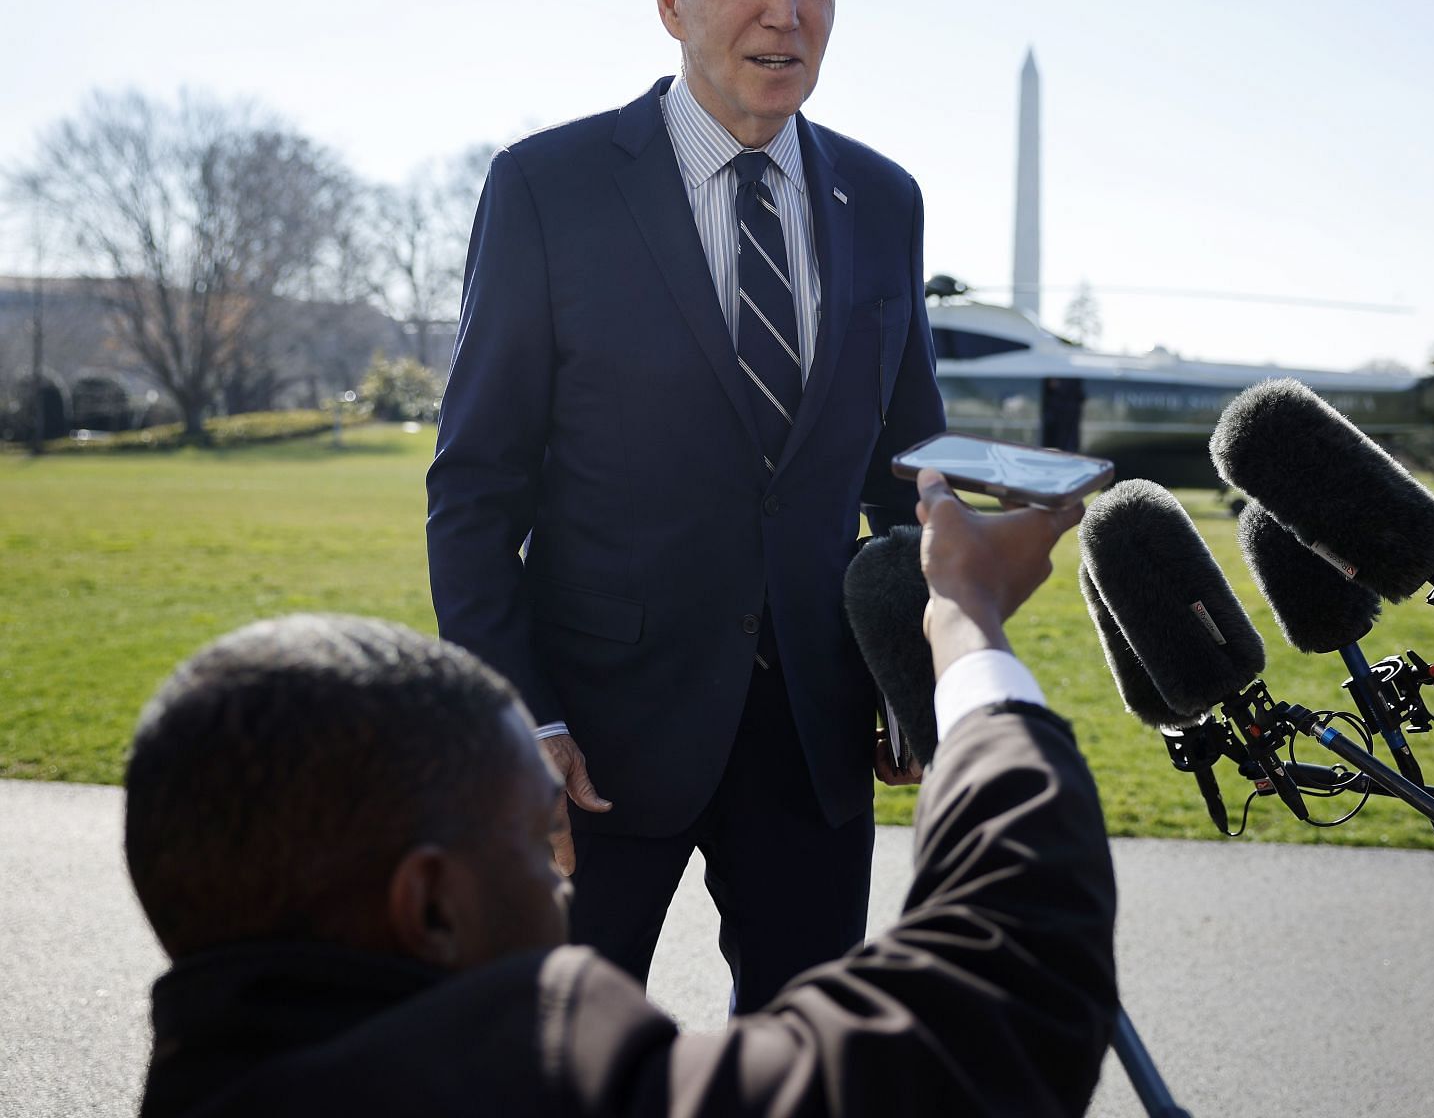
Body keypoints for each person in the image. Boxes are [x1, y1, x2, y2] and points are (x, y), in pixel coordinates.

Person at [130, 471, 1117, 1117]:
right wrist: (965, 626)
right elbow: (1003, 997)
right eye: (531, 843)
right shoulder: (541, 1084)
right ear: (430, 905)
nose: (564, 888)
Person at [425, 0, 946, 1011]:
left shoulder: (887, 199)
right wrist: (522, 717)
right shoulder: (546, 189)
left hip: (815, 742)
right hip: (592, 747)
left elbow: (912, 479)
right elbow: (472, 494)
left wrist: (913, 674)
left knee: (807, 1068)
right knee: (543, 1062)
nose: (785, 12)